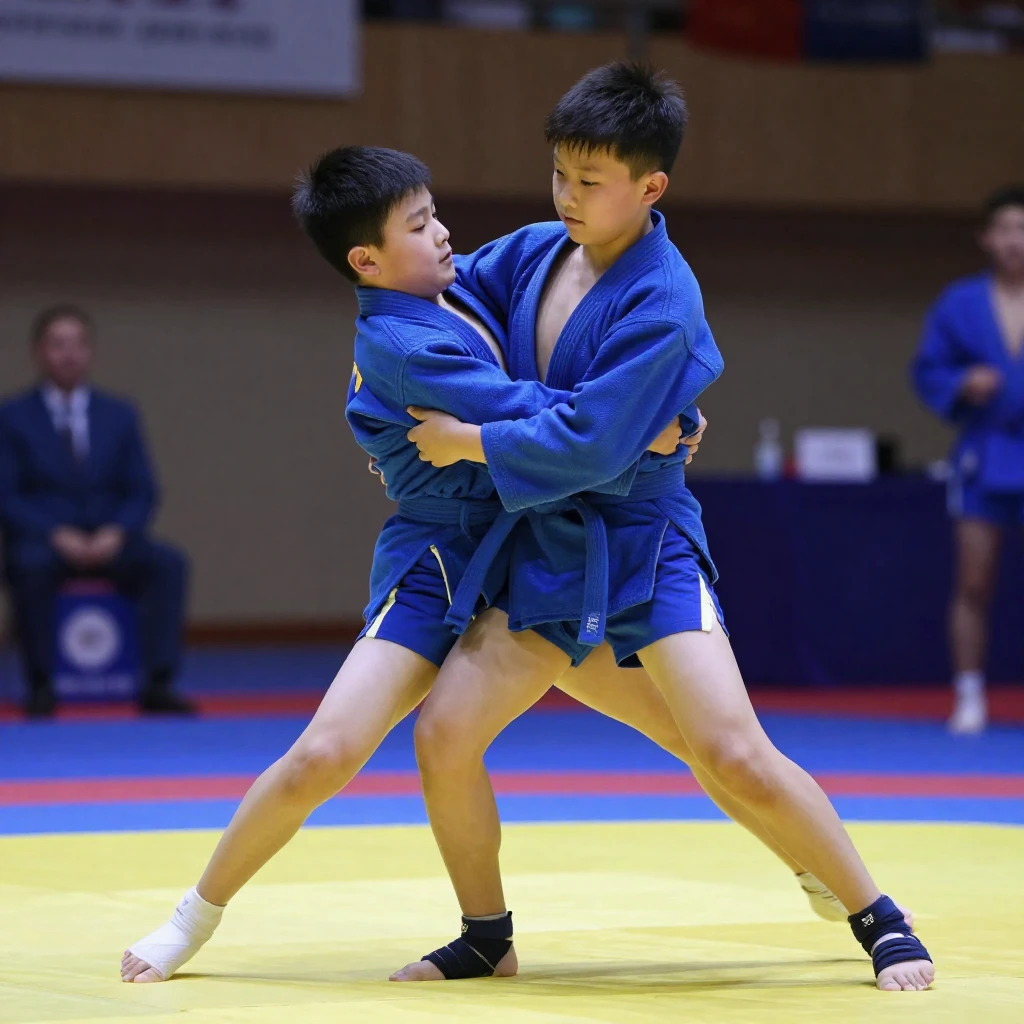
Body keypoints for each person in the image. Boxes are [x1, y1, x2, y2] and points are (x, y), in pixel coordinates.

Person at [121, 146, 851, 986]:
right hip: (439, 559)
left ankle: (808, 864)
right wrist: (645, 420)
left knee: (688, 733)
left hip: (535, 546)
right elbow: (544, 414)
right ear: (367, 260)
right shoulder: (401, 342)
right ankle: (194, 917)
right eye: (419, 225)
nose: (443, 234)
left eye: (433, 213)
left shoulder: (459, 280)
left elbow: (577, 357)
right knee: (327, 750)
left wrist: (659, 406)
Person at [391, 63, 933, 992]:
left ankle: (876, 915)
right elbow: (436, 305)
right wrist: (376, 351)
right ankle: (486, 935)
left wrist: (468, 440)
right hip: (544, 550)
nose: (567, 195)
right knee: (444, 732)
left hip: (643, 543)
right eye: (558, 173)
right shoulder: (532, 252)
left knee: (727, 749)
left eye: (589, 181)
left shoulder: (665, 301)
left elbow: (594, 445)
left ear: (651, 187)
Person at [0, 306, 192, 718]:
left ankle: (158, 683)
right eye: (58, 345)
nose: (68, 354)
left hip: (111, 538)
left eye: (77, 344)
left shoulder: (119, 414)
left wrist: (117, 531)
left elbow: (143, 489)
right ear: (39, 352)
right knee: (27, 566)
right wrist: (54, 533)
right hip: (45, 541)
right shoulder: (12, 416)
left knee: (168, 564)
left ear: (90, 352)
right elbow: (7, 495)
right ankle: (40, 685)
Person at [912, 187, 1024, 736]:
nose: (1015, 240)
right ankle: (970, 694)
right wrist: (962, 383)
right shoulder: (960, 302)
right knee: (974, 582)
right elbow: (929, 369)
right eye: (1006, 229)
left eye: (1023, 229)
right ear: (986, 238)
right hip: (985, 455)